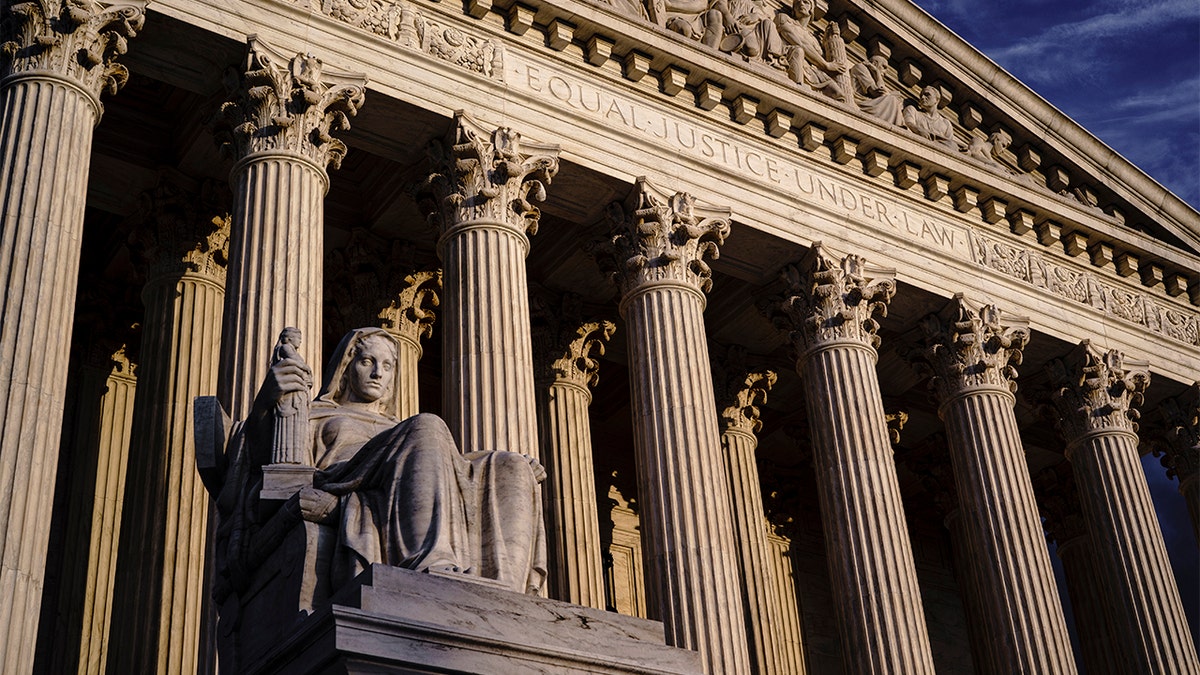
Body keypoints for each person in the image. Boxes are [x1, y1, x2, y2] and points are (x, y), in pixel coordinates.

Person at [217, 327, 547, 597]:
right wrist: (266, 403)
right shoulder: (317, 415)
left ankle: (507, 596)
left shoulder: (401, 430)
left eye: (387, 366)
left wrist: (494, 465)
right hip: (344, 478)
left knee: (509, 465)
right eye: (367, 361)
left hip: (399, 476)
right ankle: (431, 567)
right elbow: (259, 465)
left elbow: (451, 468)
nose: (378, 373)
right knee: (427, 425)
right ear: (347, 366)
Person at [776, 0, 847, 101]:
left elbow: (824, 60)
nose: (801, 4)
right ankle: (798, 94)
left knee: (839, 95)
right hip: (791, 59)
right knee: (799, 50)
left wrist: (830, 39)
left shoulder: (814, 39)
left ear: (811, 9)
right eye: (797, 3)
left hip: (812, 71)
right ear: (793, 9)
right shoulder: (784, 19)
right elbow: (800, 42)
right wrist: (826, 65)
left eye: (805, 2)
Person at [850, 55, 904, 125]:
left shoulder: (873, 76)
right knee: (892, 99)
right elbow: (877, 92)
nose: (885, 73)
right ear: (875, 63)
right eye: (884, 67)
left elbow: (881, 91)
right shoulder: (860, 67)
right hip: (862, 103)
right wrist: (877, 72)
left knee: (897, 100)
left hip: (870, 102)